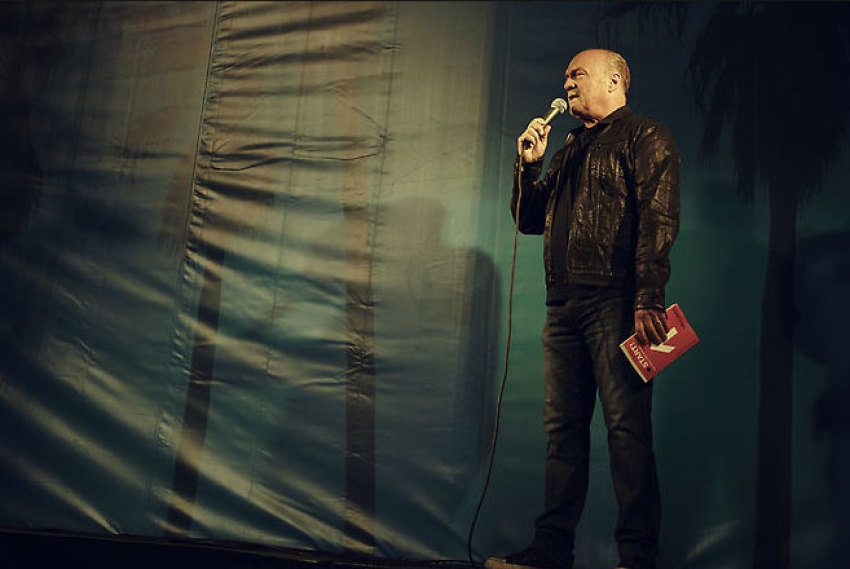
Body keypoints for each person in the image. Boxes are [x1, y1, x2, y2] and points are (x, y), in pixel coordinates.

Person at [485, 49, 680, 569]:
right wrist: (528, 167)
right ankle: (551, 549)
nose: (567, 82)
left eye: (578, 74)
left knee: (626, 431)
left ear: (614, 80)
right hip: (564, 306)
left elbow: (657, 222)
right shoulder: (570, 145)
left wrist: (647, 298)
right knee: (563, 432)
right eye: (565, 76)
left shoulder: (645, 136)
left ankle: (637, 556)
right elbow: (530, 220)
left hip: (618, 302)